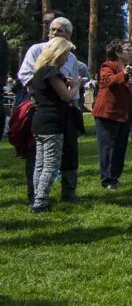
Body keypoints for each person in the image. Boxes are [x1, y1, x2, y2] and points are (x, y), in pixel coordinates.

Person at [18, 15, 83, 204]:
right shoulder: (40, 55)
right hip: (46, 110)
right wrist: (46, 92)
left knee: (63, 154)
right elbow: (25, 76)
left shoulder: (70, 57)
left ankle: (66, 193)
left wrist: (75, 110)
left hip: (63, 112)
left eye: (59, 31)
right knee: (46, 162)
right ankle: (38, 198)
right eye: (52, 29)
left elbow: (71, 94)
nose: (54, 33)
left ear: (69, 35)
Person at [28, 37, 81, 212]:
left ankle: (36, 197)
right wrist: (76, 85)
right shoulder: (51, 72)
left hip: (39, 120)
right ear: (59, 53)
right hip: (53, 122)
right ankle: (41, 202)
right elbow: (66, 96)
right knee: (51, 164)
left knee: (40, 164)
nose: (67, 58)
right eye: (66, 54)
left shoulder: (38, 72)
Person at [92, 39, 132, 190]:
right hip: (108, 113)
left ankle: (114, 178)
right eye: (127, 49)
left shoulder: (129, 68)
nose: (130, 51)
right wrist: (123, 74)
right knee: (107, 147)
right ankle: (107, 179)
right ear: (118, 53)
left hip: (124, 114)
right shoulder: (108, 66)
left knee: (120, 147)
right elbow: (109, 81)